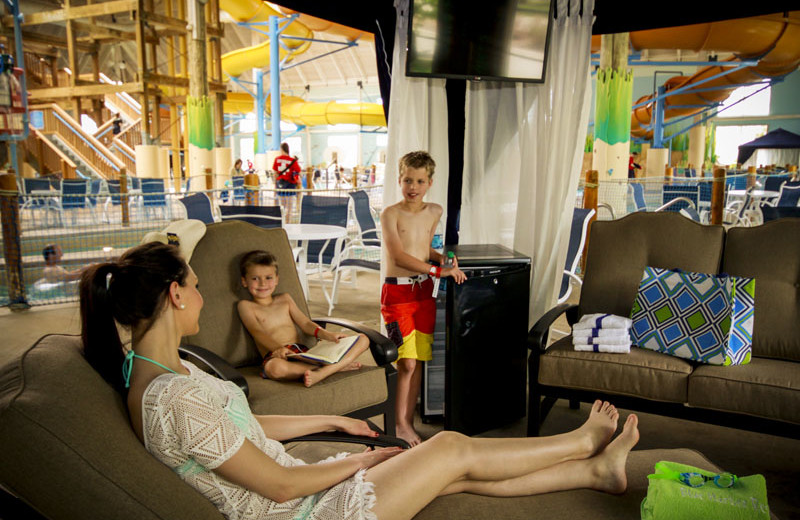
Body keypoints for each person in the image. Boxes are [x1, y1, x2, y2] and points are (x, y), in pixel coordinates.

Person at [79, 241, 641, 520]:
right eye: (195, 286)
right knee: (446, 447)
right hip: (297, 513)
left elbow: (234, 423)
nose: (202, 296)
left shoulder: (162, 369)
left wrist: (329, 419)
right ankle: (581, 442)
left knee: (453, 476)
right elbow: (277, 486)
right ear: (174, 294)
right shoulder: (169, 396)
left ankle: (594, 470)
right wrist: (355, 461)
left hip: (295, 491)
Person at [380, 150, 467, 446]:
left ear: (429, 182)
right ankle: (399, 423)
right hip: (398, 292)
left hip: (423, 294)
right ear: (399, 179)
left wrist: (443, 260)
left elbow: (423, 248)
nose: (412, 187)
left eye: (419, 181)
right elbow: (399, 255)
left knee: (418, 362)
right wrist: (436, 270)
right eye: (407, 180)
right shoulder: (390, 213)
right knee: (405, 362)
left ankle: (408, 420)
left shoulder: (435, 211)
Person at [237, 250, 370, 387]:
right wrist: (278, 348)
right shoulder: (246, 306)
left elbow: (305, 323)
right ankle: (336, 368)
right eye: (255, 278)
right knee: (274, 368)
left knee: (363, 339)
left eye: (268, 277)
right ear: (244, 281)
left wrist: (329, 335)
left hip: (305, 354)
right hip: (278, 356)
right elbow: (257, 332)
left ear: (276, 279)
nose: (262, 283)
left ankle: (324, 371)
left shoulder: (285, 299)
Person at [273, 142, 302, 218]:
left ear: (282, 149)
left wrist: (275, 185)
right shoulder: (293, 160)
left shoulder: (277, 159)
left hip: (281, 185)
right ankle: (288, 224)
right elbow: (298, 171)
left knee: (282, 207)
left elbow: (275, 174)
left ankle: (282, 223)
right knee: (289, 208)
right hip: (290, 186)